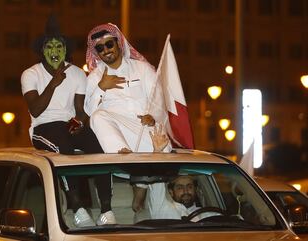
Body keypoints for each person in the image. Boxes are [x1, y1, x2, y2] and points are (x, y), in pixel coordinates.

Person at [20, 15, 115, 227]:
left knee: (99, 149)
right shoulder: (30, 74)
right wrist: (53, 84)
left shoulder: (77, 73)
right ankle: (76, 206)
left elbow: (80, 110)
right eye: (49, 46)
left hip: (67, 124)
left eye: (59, 46)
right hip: (42, 127)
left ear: (65, 49)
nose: (54, 51)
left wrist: (78, 123)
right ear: (42, 50)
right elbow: (35, 110)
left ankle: (107, 210)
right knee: (64, 148)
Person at [84, 23, 171, 153]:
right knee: (97, 116)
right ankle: (122, 155)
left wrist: (152, 116)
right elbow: (90, 112)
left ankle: (153, 155)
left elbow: (158, 100)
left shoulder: (142, 69)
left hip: (145, 129)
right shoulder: (94, 77)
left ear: (118, 43)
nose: (106, 50)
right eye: (100, 48)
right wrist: (101, 87)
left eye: (109, 44)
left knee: (164, 148)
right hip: (119, 133)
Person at [132, 126, 218, 222]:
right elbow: (157, 186)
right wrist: (157, 153)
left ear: (196, 189)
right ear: (171, 191)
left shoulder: (210, 215)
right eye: (180, 187)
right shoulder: (164, 211)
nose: (186, 191)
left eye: (189, 186)